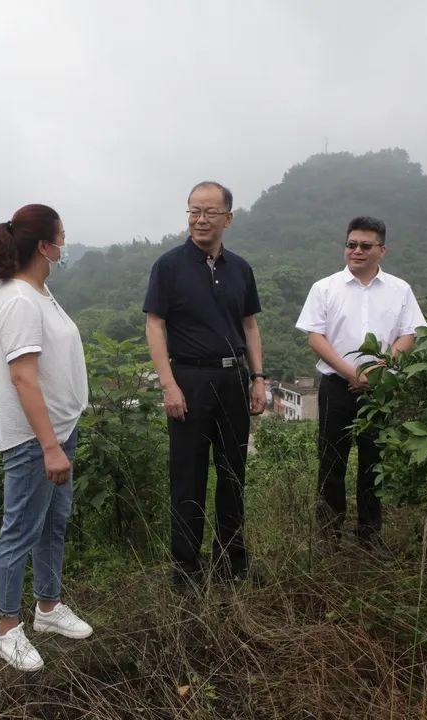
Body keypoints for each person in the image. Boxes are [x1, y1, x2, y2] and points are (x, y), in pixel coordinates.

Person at [0, 204, 93, 672]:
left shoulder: (39, 292)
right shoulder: (19, 301)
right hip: (34, 440)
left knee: (52, 525)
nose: (65, 244)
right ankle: (5, 628)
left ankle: (47, 608)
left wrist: (59, 439)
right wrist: (48, 446)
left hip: (59, 430)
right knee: (20, 530)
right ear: (45, 246)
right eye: (62, 237)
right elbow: (23, 378)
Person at [143, 181, 267, 591]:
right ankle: (186, 569)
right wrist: (168, 384)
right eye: (194, 210)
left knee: (234, 473)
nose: (200, 219)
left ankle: (232, 562)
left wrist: (258, 378)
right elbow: (155, 324)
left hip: (233, 378)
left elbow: (250, 325)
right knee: (187, 476)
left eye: (210, 212)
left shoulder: (241, 269)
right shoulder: (169, 266)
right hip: (189, 380)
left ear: (227, 218)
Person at [294, 215, 426, 552]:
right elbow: (315, 337)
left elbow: (408, 334)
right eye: (351, 244)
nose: (357, 251)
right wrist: (351, 373)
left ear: (382, 250)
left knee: (373, 462)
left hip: (381, 389)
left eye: (365, 246)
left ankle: (371, 536)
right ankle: (329, 537)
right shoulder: (324, 288)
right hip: (336, 386)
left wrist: (379, 371)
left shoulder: (400, 289)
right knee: (331, 461)